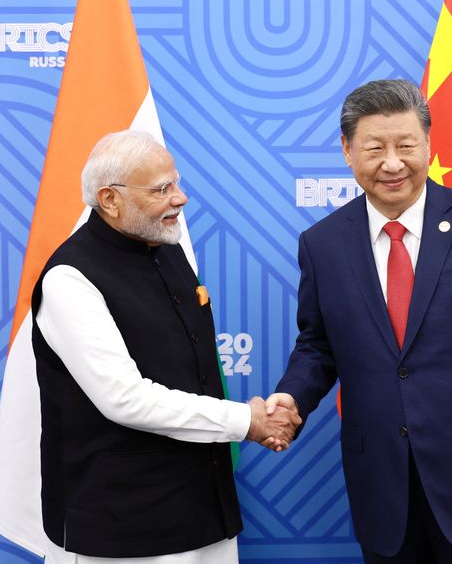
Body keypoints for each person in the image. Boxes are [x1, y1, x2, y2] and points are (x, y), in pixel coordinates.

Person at [267, 79, 452, 563]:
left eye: (406, 145)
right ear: (347, 151)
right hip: (384, 484)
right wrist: (291, 396)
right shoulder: (321, 244)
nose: (392, 163)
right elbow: (318, 344)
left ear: (428, 144)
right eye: (374, 148)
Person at [32, 130, 300, 563]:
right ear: (110, 199)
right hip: (123, 528)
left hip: (204, 509)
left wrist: (256, 419)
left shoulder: (166, 247)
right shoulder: (70, 278)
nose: (181, 199)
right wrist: (246, 421)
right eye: (162, 189)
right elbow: (126, 400)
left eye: (176, 183)